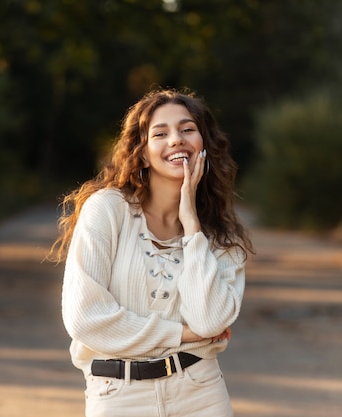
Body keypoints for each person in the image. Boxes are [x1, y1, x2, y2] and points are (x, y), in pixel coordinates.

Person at [50, 87, 254, 417]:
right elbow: (85, 318)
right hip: (118, 395)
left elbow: (210, 319)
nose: (176, 140)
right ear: (143, 153)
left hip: (200, 393)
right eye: (161, 133)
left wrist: (191, 226)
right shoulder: (107, 210)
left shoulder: (221, 235)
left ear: (203, 144)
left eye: (188, 129)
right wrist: (183, 334)